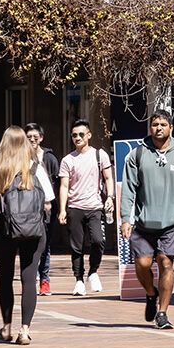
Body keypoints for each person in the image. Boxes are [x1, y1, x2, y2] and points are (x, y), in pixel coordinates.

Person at [121, 110, 174, 330]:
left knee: (166, 263)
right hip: (144, 222)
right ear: (150, 127)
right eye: (155, 124)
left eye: (163, 124)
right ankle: (150, 293)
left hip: (173, 222)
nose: (159, 128)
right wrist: (125, 218)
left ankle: (163, 313)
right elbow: (128, 188)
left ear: (171, 128)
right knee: (143, 264)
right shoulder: (137, 155)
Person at [0, 127, 55, 345]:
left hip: (6, 228)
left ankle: (6, 328)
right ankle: (24, 330)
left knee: (5, 278)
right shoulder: (35, 167)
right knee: (29, 279)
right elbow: (48, 200)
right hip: (34, 229)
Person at [58, 120, 114, 297]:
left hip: (95, 206)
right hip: (75, 207)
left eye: (81, 134)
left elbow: (108, 178)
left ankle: (93, 271)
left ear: (88, 135)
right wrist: (62, 209)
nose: (77, 138)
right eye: (74, 135)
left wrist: (111, 197)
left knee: (98, 240)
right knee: (77, 246)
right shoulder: (68, 160)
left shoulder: (100, 155)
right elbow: (64, 186)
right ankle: (79, 280)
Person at [26, 123, 60, 296]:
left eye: (35, 136)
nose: (32, 139)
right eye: (29, 136)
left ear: (41, 138)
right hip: (27, 207)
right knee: (30, 243)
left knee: (45, 244)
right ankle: (31, 278)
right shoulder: (22, 158)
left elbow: (58, 184)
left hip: (47, 207)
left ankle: (44, 280)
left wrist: (60, 208)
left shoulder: (50, 158)